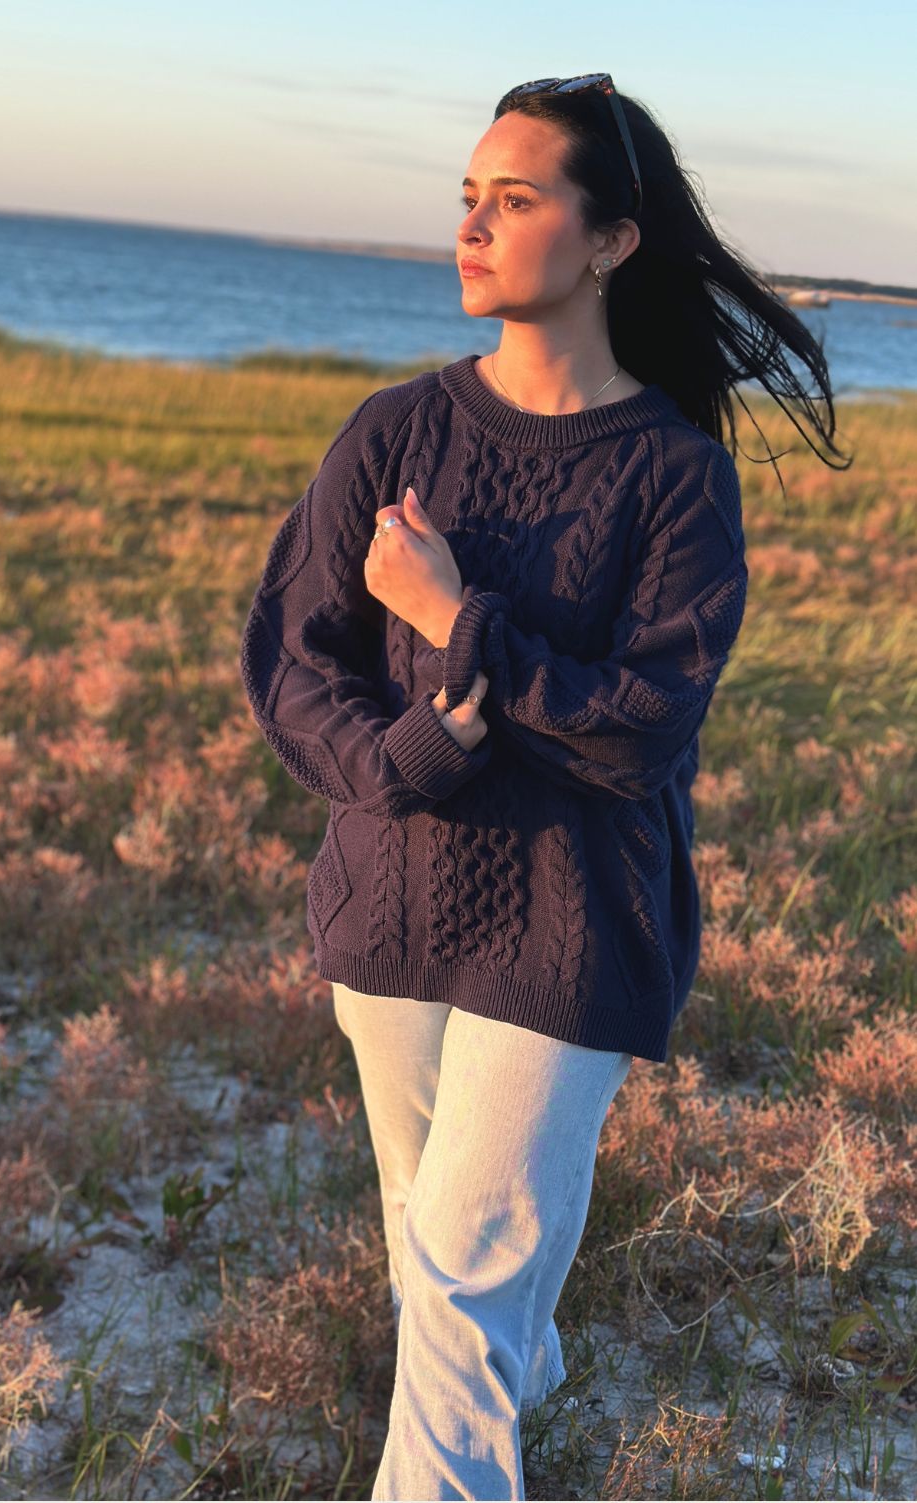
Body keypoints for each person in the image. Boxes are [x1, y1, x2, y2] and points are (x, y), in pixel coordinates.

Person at [240, 73, 850, 1502]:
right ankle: (527, 1366)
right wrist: (407, 758)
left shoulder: (674, 477)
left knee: (458, 1270)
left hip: (569, 925)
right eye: (468, 197)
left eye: (513, 201)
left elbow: (643, 734)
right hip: (391, 904)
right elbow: (294, 663)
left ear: (610, 241)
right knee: (427, 1227)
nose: (471, 225)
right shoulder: (394, 431)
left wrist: (460, 624)